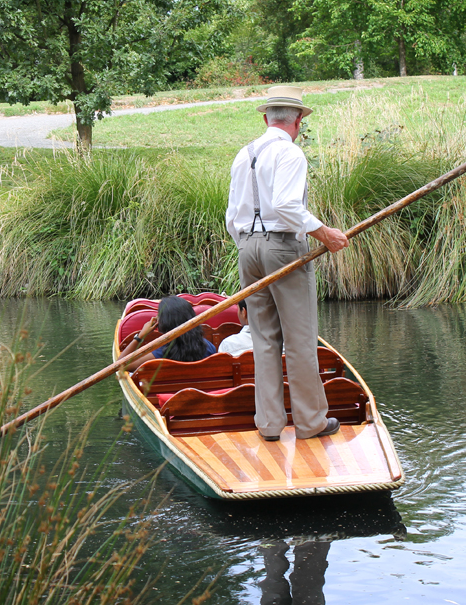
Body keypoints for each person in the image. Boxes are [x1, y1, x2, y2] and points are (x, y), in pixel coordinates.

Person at [225, 85, 349, 441]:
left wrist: (248, 246)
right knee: (300, 339)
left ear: (266, 119)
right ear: (296, 122)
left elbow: (232, 216)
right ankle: (310, 423)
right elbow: (286, 206)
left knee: (263, 338)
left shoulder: (242, 154)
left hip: (246, 248)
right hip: (282, 248)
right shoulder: (290, 154)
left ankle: (269, 425)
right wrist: (324, 233)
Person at [119, 295, 216, 371]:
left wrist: (140, 336)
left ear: (165, 322)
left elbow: (120, 365)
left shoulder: (162, 353)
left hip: (169, 395)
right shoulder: (210, 347)